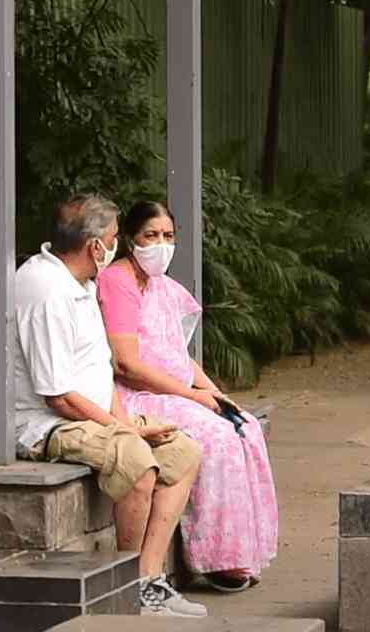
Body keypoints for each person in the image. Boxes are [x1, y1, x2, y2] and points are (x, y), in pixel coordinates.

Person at [9, 194, 207, 618]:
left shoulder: (81, 284)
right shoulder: (44, 289)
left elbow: (99, 373)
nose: (119, 249)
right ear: (95, 246)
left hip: (90, 414)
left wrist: (129, 420)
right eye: (116, 238)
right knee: (136, 460)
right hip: (46, 425)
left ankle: (148, 580)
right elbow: (58, 396)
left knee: (182, 450)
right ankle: (126, 588)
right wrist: (129, 432)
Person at [98, 201, 279, 593]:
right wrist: (194, 397)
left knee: (245, 426)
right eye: (151, 236)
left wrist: (212, 391)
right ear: (130, 238)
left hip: (175, 389)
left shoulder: (162, 287)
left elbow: (178, 354)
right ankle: (216, 559)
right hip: (138, 396)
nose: (161, 245)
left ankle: (241, 552)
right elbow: (127, 364)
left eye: (168, 236)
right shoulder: (118, 282)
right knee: (216, 438)